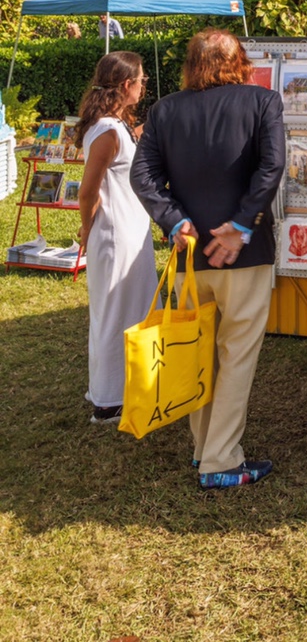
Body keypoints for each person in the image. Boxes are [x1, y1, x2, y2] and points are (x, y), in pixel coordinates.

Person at [130, 29, 285, 490]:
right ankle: (220, 459)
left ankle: (204, 451)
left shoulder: (165, 110)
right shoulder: (263, 102)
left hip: (191, 253)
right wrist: (239, 227)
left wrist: (177, 223)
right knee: (236, 355)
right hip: (244, 253)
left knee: (196, 351)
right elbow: (271, 166)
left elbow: (143, 177)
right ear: (240, 61)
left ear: (191, 64)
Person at [75, 52, 158, 425]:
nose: (144, 86)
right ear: (127, 85)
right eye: (141, 81)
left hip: (129, 231)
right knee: (113, 314)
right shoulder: (107, 131)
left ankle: (126, 387)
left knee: (132, 310)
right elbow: (87, 190)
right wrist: (86, 228)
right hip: (114, 234)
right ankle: (107, 401)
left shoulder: (117, 126)